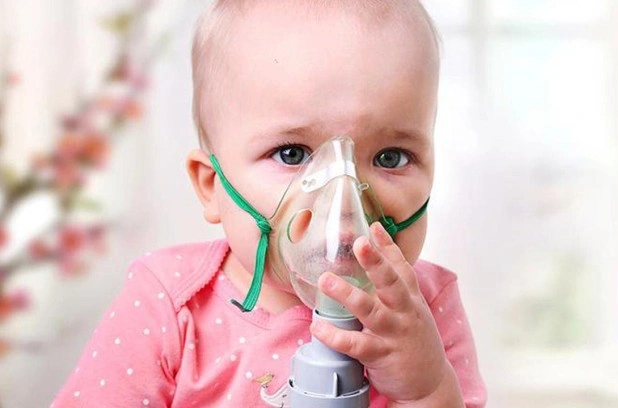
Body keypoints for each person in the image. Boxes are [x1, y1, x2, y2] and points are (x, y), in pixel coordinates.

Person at [53, 0, 486, 406]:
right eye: (292, 154)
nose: (344, 200)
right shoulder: (169, 302)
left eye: (390, 157)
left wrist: (428, 387)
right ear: (211, 185)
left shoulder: (425, 308)